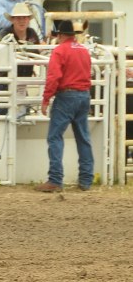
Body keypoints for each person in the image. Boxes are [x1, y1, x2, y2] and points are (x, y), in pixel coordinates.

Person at [35, 20, 93, 192]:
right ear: (73, 35)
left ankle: (55, 179)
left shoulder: (60, 50)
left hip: (66, 96)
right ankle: (86, 179)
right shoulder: (83, 50)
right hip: (84, 95)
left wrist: (46, 99)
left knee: (55, 137)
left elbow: (54, 77)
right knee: (83, 137)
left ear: (60, 35)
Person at [0, 1, 42, 116]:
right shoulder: (5, 34)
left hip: (20, 84)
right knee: (1, 118)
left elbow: (37, 52)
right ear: (12, 20)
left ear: (29, 20)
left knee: (23, 118)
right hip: (3, 83)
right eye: (18, 18)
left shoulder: (32, 33)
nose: (22, 21)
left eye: (24, 18)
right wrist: (28, 51)